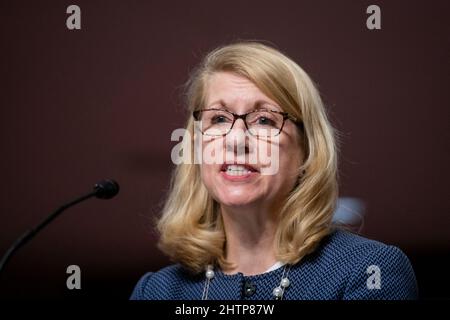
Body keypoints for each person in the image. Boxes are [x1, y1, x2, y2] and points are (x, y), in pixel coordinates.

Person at [130, 41, 418, 300]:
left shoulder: (368, 272)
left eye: (264, 120)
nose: (236, 140)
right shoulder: (157, 291)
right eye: (218, 118)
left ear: (306, 149)